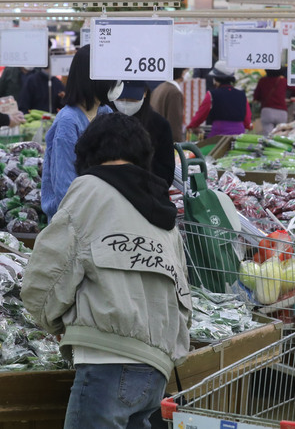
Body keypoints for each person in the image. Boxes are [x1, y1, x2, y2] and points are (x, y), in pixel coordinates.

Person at [22, 112, 191, 429]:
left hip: (107, 362)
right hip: (157, 368)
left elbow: (48, 275)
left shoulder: (89, 189)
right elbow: (183, 290)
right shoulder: (162, 208)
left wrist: (53, 321)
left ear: (87, 153)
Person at [41, 44, 119, 220]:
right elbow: (65, 187)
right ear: (94, 77)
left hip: (101, 214)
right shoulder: (68, 122)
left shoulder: (105, 112)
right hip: (74, 221)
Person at [113, 81, 175, 186]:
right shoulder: (104, 124)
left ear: (145, 93)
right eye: (120, 99)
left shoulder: (159, 125)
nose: (125, 103)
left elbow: (167, 174)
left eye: (132, 99)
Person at [187, 61, 251, 137]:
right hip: (239, 136)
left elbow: (201, 114)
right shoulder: (242, 95)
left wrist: (192, 126)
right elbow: (247, 121)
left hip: (218, 135)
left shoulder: (211, 94)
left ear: (215, 79)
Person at [253, 67, 295, 134]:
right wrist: (291, 98)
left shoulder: (262, 81)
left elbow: (256, 97)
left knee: (268, 135)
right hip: (282, 112)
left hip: (267, 111)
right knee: (280, 134)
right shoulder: (283, 81)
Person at [150, 67, 186, 142]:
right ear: (182, 75)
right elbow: (174, 124)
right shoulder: (175, 93)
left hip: (154, 140)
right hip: (166, 143)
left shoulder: (159, 88)